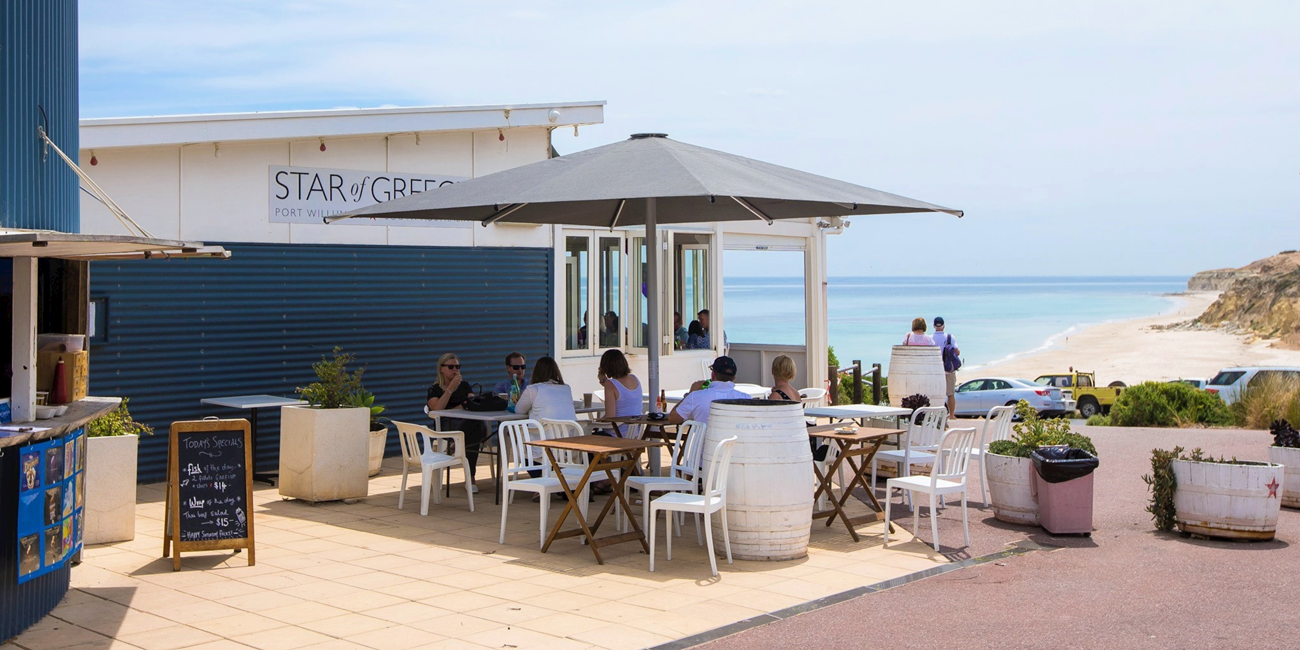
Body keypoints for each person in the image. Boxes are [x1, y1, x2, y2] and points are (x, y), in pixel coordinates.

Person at [426, 353, 488, 493]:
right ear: (441, 369)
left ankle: (459, 452)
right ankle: (470, 477)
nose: (455, 370)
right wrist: (450, 390)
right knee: (473, 433)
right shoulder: (434, 389)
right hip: (445, 425)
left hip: (467, 423)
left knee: (473, 427)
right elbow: (437, 409)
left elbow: (472, 404)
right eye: (451, 367)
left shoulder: (464, 386)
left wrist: (466, 404)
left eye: (457, 367)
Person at [668, 356, 749, 426]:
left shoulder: (696, 396)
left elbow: (673, 418)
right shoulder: (746, 399)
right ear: (734, 378)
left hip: (705, 444)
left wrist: (689, 394)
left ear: (713, 374)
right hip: (736, 443)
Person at [598, 349, 643, 438]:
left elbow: (610, 417)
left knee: (586, 438)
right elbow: (624, 396)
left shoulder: (610, 385)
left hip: (617, 434)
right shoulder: (634, 379)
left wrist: (596, 422)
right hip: (635, 435)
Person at [931, 317, 961, 416]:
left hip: (936, 370)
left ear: (934, 326)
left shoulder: (930, 338)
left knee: (938, 395)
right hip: (949, 369)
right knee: (951, 394)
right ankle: (951, 415)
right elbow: (957, 352)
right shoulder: (949, 337)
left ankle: (938, 415)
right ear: (944, 326)